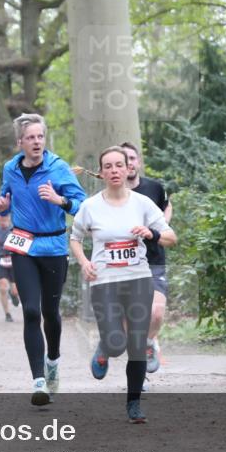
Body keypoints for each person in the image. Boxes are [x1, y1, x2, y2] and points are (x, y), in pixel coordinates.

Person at [70, 146, 176, 423]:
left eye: (120, 165)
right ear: (102, 172)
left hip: (138, 279)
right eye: (109, 166)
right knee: (117, 343)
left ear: (128, 168)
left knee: (137, 344)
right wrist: (84, 262)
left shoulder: (142, 203)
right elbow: (75, 238)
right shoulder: (90, 206)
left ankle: (134, 404)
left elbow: (170, 237)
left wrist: (151, 233)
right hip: (105, 282)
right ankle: (106, 346)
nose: (115, 170)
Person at [0, 113, 86, 406]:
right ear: (20, 142)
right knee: (31, 311)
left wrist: (60, 200)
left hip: (54, 246)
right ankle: (38, 381)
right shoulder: (10, 168)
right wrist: (2, 204)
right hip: (22, 245)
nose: (36, 142)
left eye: (40, 137)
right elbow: (5, 197)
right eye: (30, 138)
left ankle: (53, 360)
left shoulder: (57, 168)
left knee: (51, 313)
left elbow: (82, 205)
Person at [121, 142, 173, 375]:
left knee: (156, 312)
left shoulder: (154, 188)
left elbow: (167, 205)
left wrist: (160, 227)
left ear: (138, 162)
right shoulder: (112, 193)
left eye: (132, 158)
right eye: (124, 159)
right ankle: (137, 367)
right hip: (122, 263)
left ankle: (149, 342)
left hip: (153, 260)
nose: (129, 163)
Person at [0, 212, 21, 322]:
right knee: (3, 288)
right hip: (1, 260)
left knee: (15, 290)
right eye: (1, 216)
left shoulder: (15, 229)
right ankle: (7, 314)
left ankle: (14, 295)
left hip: (14, 261)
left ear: (10, 217)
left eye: (6, 216)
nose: (3, 218)